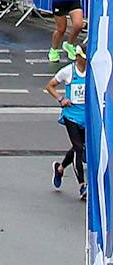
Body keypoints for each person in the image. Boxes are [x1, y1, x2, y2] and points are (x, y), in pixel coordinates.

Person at [49, 44, 89, 199]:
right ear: (77, 56)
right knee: (79, 148)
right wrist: (61, 99)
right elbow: (50, 86)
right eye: (83, 58)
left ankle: (60, 168)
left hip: (86, 117)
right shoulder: (68, 71)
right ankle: (81, 186)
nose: (85, 61)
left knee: (77, 147)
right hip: (71, 116)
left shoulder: (91, 71)